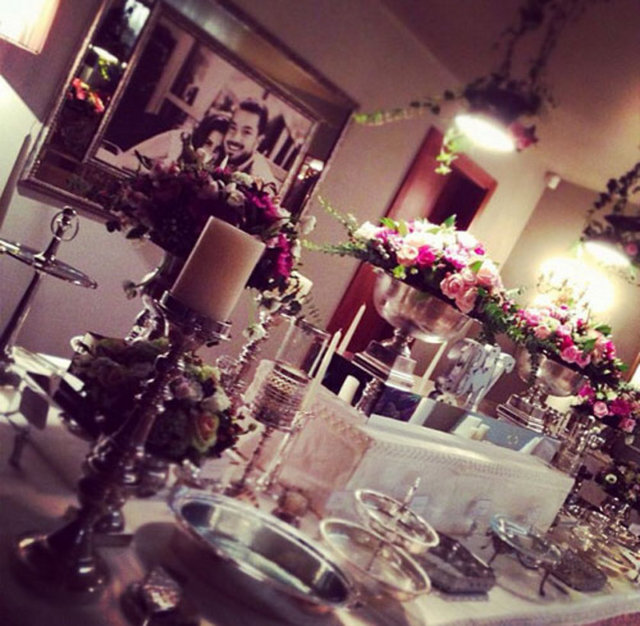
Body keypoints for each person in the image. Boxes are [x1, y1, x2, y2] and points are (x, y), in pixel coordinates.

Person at [210, 98, 279, 189]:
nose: (235, 138)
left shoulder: (261, 185)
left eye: (246, 132)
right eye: (233, 128)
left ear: (258, 140)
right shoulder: (216, 151)